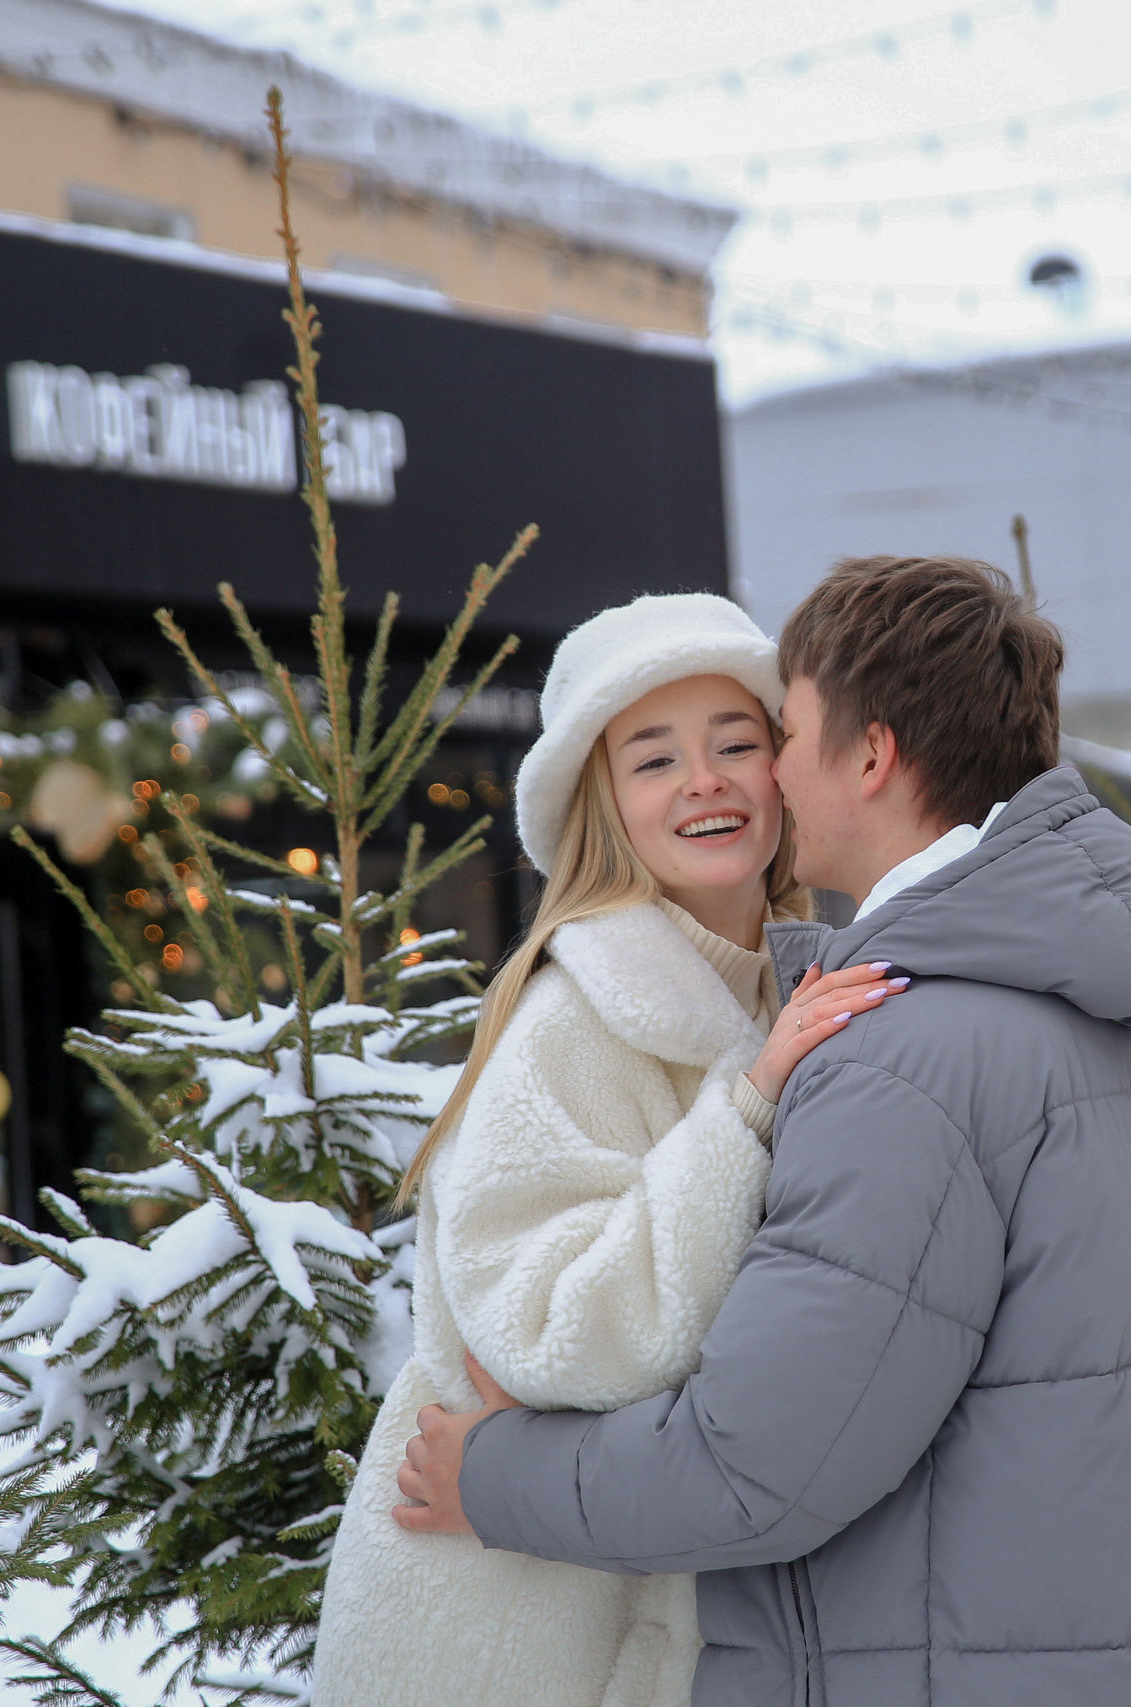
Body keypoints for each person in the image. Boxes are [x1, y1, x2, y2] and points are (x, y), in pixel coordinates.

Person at [396, 556, 1131, 1707]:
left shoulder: (906, 1046)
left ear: (869, 755)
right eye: (658, 756)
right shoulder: (1077, 995)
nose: (764, 774)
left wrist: (490, 1476)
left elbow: (755, 1467)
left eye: (774, 733)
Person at [312, 591, 912, 1707]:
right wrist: (743, 1113)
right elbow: (553, 1335)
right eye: (654, 760)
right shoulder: (572, 1020)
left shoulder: (802, 997)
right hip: (518, 1632)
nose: (705, 779)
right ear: (604, 806)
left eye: (738, 742)